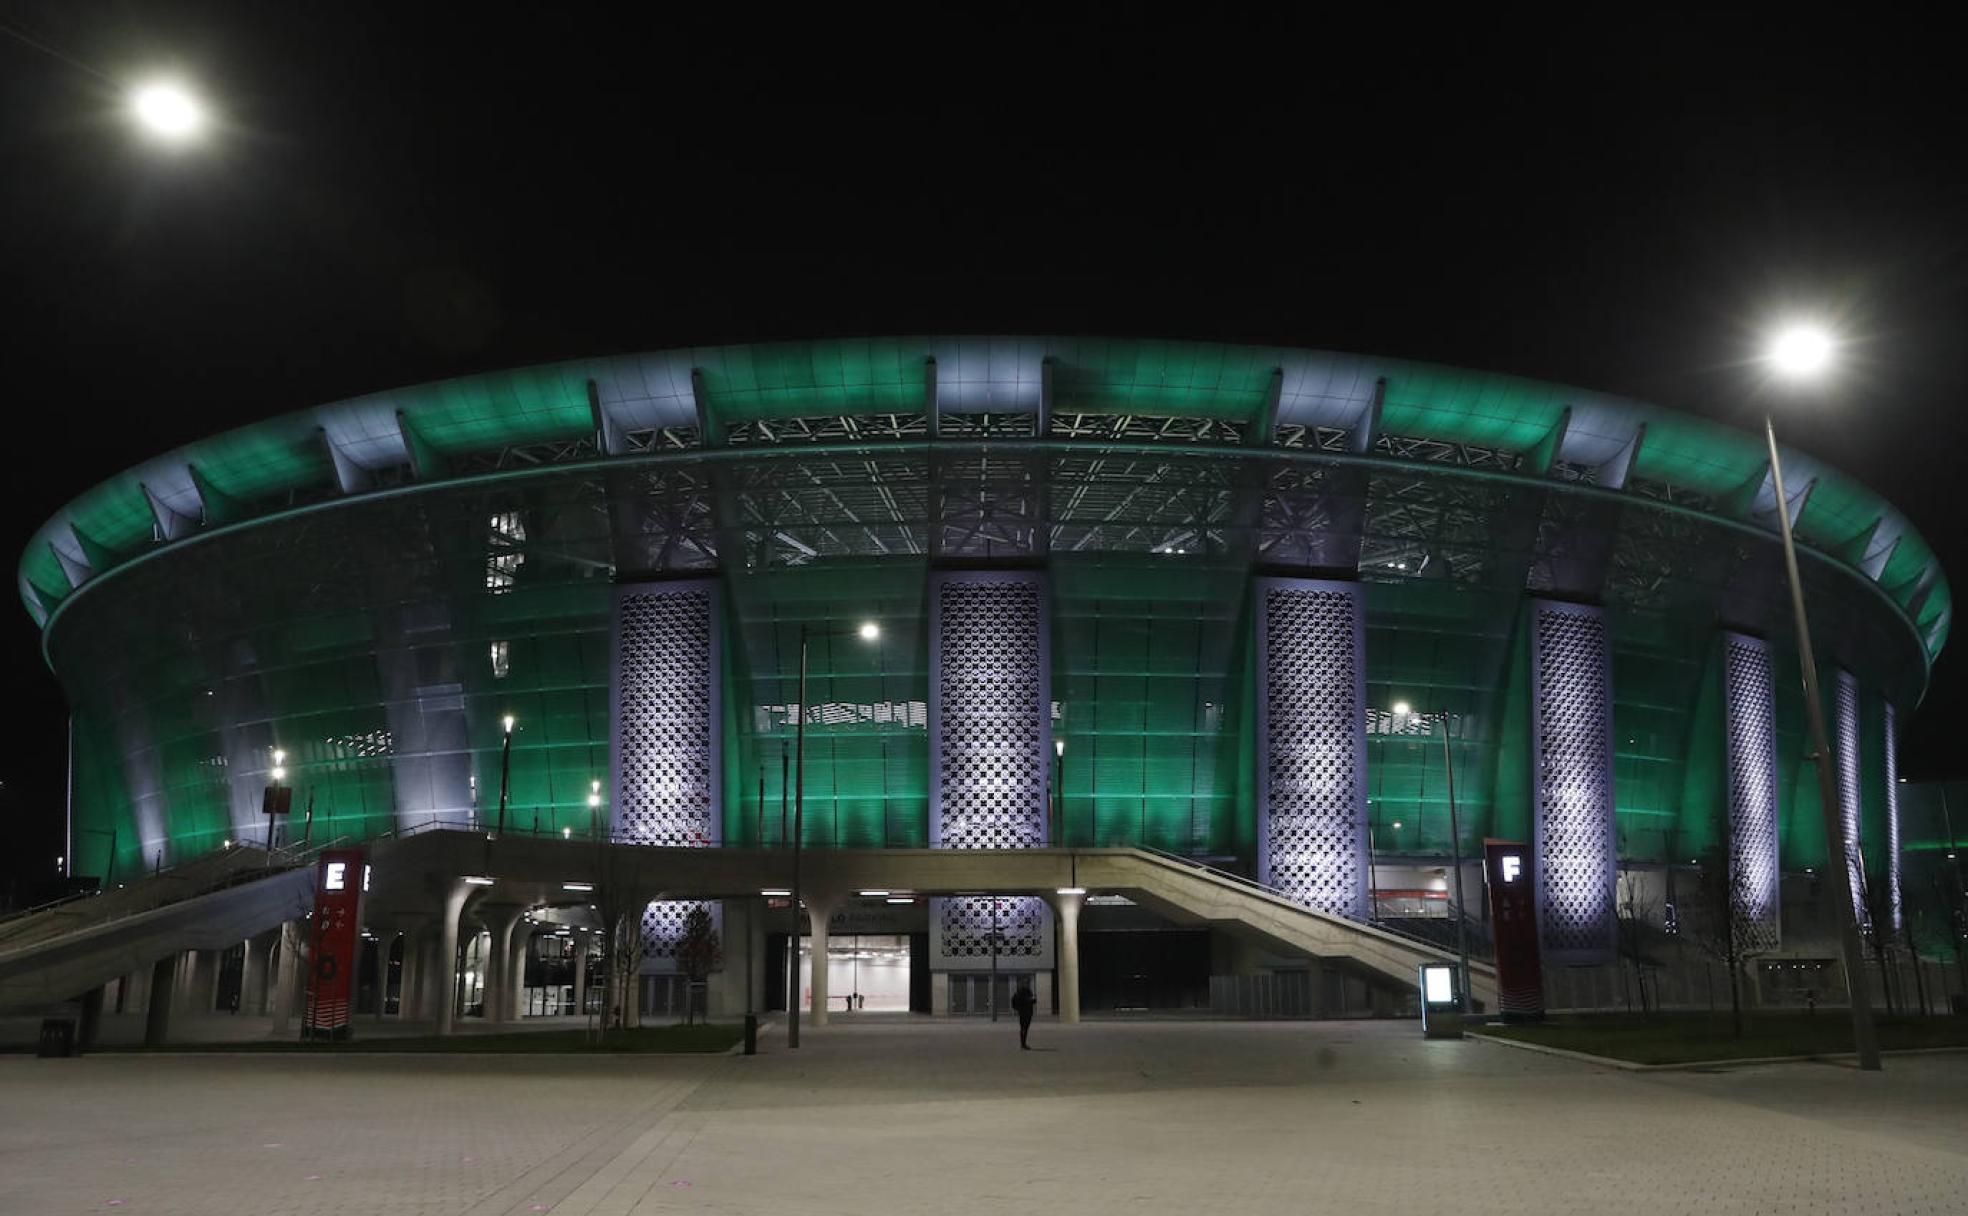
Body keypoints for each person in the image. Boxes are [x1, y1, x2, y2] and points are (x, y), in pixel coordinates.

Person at [1010, 981, 1037, 1049]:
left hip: (1022, 1013)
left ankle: (1023, 1043)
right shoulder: (1027, 993)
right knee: (1025, 1028)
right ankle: (1023, 1044)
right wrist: (1031, 1001)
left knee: (1023, 1028)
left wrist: (1018, 1009)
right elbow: (1032, 1001)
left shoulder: (1017, 993)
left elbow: (1013, 1003)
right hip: (1027, 1013)